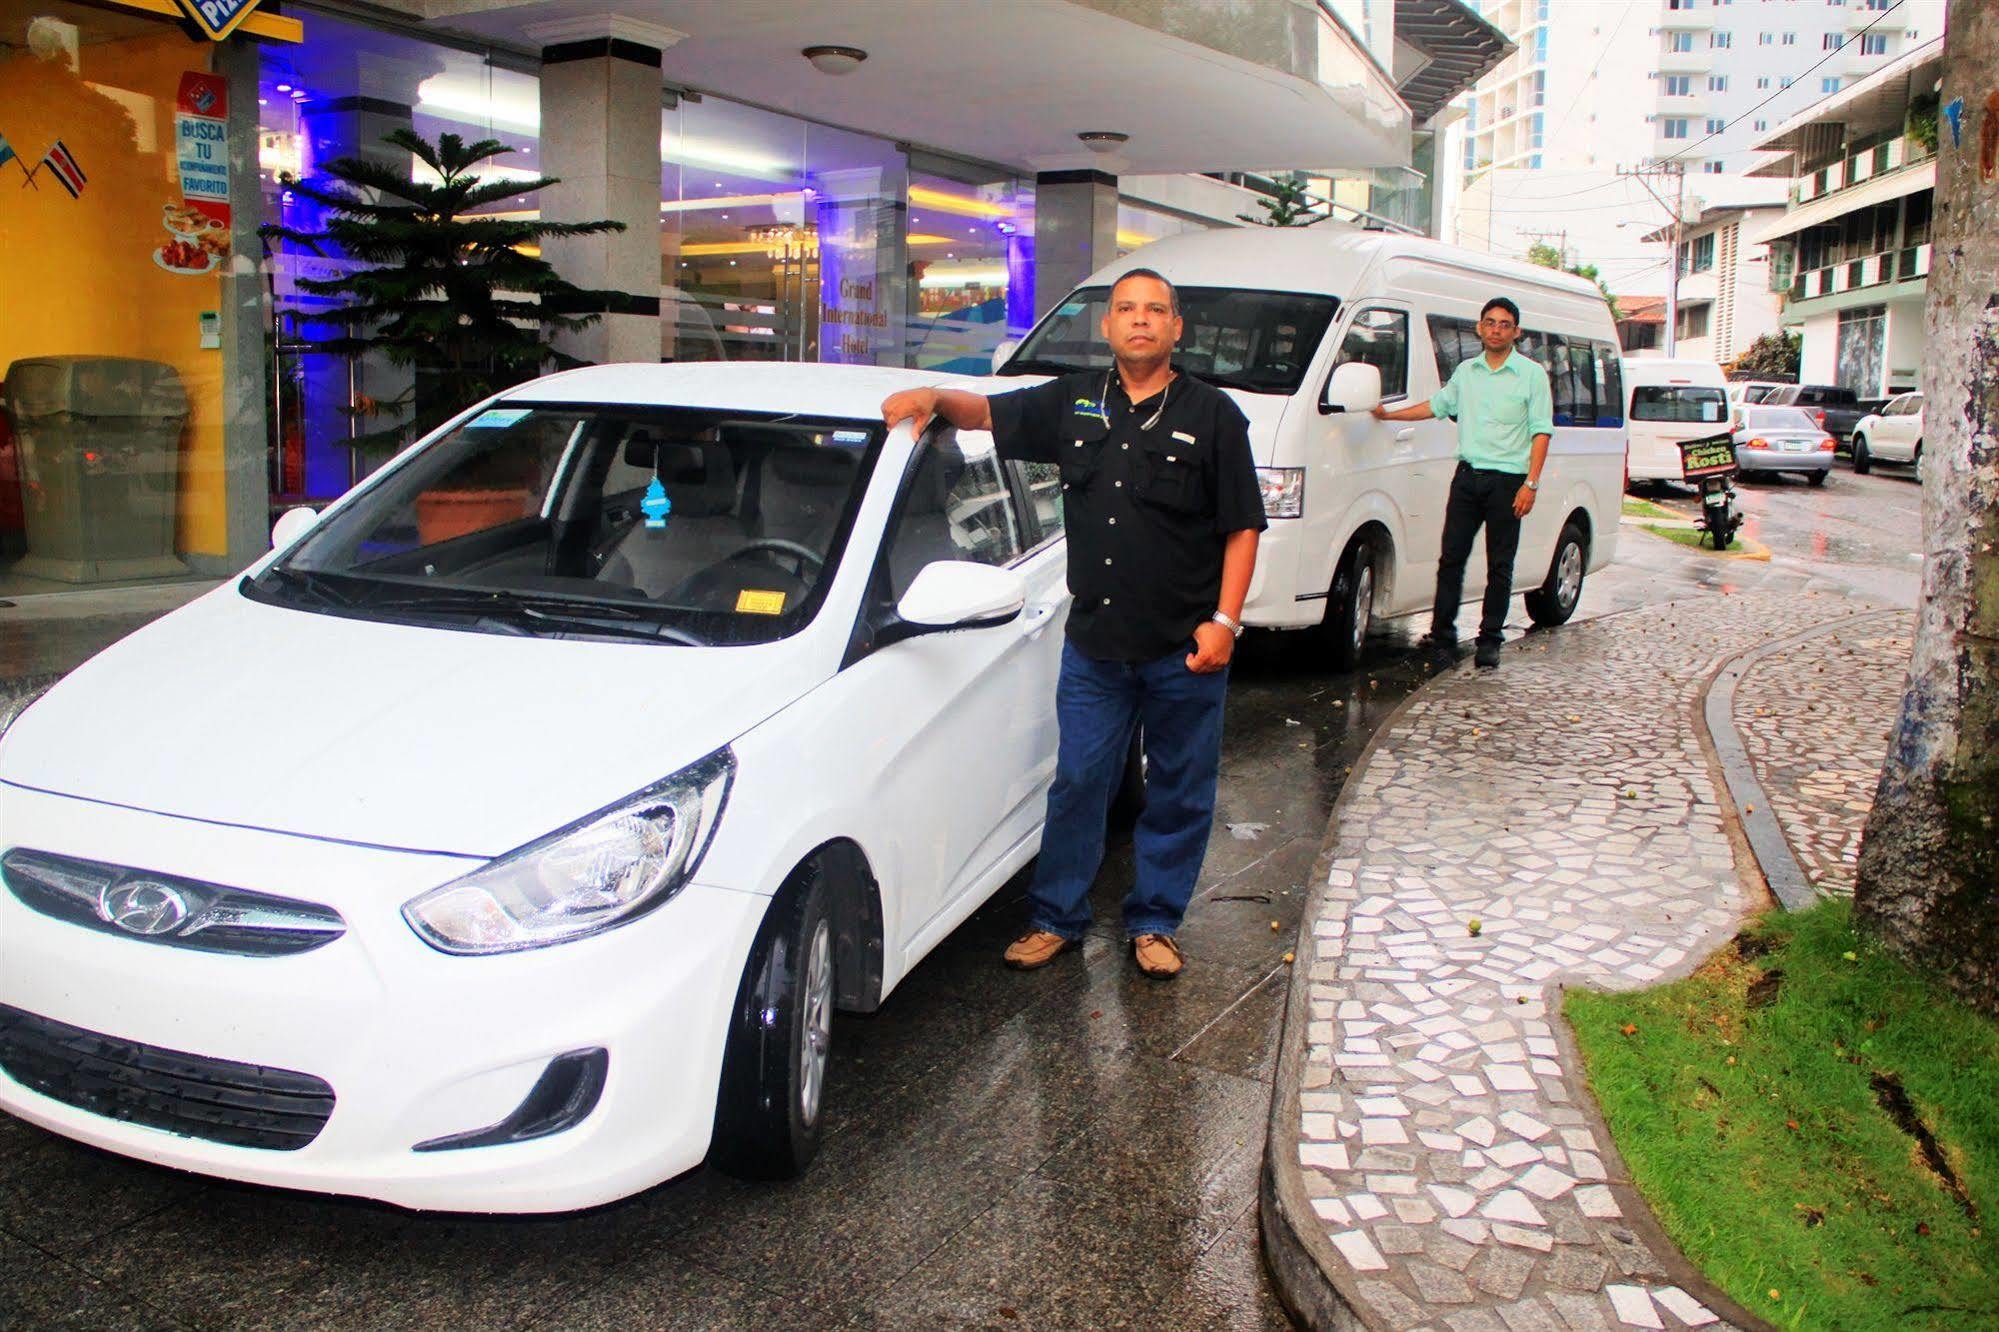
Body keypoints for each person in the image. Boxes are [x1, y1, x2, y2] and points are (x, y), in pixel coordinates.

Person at [880, 269, 1264, 980]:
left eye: (1154, 310)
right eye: (1125, 310)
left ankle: (1153, 920)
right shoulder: (1074, 399)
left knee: (1179, 791)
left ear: (1176, 328)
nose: (1139, 321)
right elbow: (985, 413)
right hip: (1095, 646)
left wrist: (1224, 623)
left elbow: (1242, 527)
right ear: (1108, 326)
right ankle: (1056, 917)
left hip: (1186, 648)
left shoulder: (1213, 415)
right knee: (1079, 782)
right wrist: (933, 395)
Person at [1370, 296, 1552, 672]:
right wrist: (1387, 415)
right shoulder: (1467, 372)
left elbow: (1541, 432)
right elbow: (1435, 406)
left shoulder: (1532, 375)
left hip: (1508, 481)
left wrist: (1530, 484)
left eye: (1505, 324)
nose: (1496, 329)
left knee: (1500, 566)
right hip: (1468, 479)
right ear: (1479, 328)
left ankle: (1489, 641)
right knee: (1450, 560)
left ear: (1516, 332)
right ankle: (1443, 640)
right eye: (1490, 322)